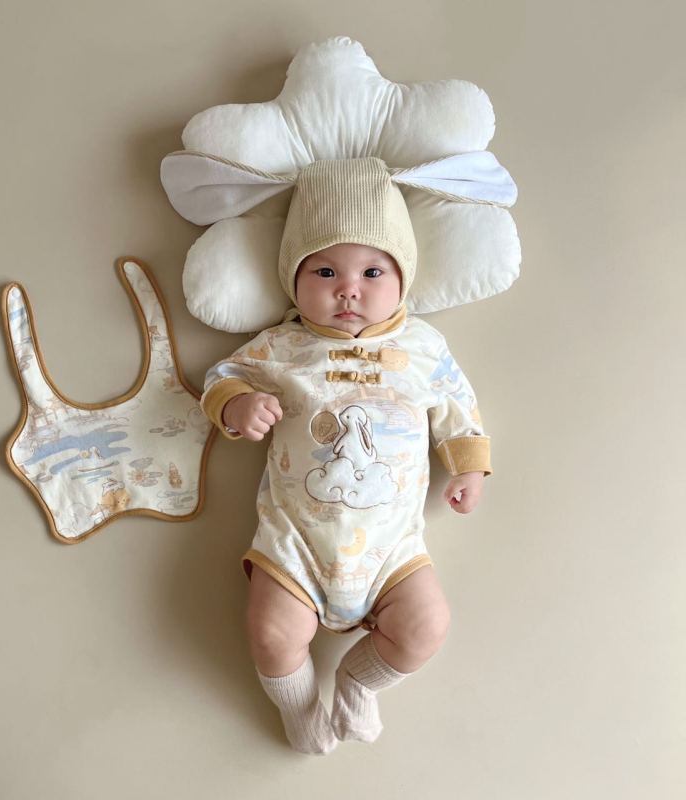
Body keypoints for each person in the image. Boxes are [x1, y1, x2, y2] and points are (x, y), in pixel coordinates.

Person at [201, 158, 492, 754]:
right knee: (271, 632)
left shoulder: (422, 345)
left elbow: (457, 404)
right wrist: (237, 405)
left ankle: (359, 682)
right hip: (295, 543)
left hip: (392, 549)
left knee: (426, 626)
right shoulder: (282, 345)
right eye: (325, 270)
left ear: (403, 279)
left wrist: (468, 464)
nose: (348, 288)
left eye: (372, 271)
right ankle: (299, 704)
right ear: (294, 280)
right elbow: (222, 376)